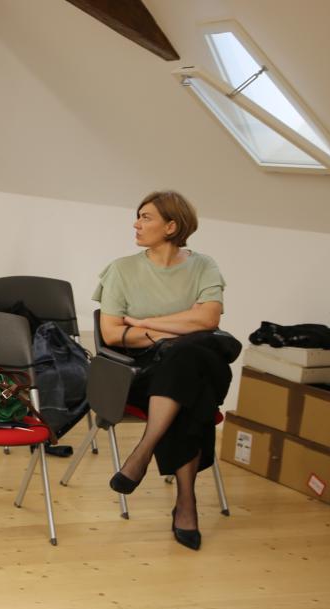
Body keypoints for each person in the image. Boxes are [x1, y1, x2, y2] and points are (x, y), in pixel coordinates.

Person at [93, 191, 230, 551]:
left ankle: (144, 450)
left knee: (185, 360)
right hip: (139, 371)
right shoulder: (121, 269)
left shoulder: (203, 265)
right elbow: (111, 334)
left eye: (146, 217)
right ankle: (186, 504)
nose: (136, 224)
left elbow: (208, 318)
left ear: (171, 226)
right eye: (138, 216)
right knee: (191, 387)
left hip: (188, 367)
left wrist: (145, 323)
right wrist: (174, 331)